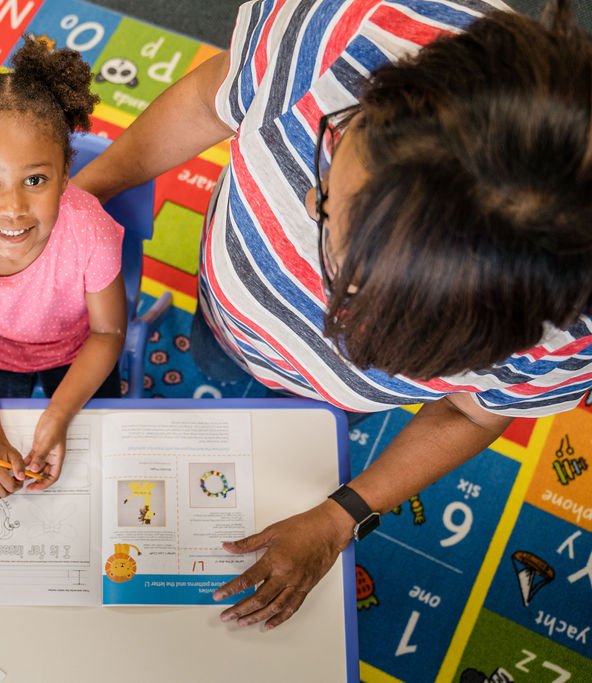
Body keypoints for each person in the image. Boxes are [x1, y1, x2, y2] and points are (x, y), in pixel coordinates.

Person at [74, 0, 592, 630]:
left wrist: (341, 516)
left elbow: (469, 411)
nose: (309, 197)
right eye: (341, 141)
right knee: (215, 353)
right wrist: (87, 192)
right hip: (225, 313)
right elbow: (213, 98)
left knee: (307, 429)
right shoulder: (351, 23)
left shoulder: (572, 344)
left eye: (345, 264)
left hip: (335, 399)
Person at [0, 23, 127, 499]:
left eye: (34, 180)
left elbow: (108, 333)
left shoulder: (88, 230)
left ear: (65, 174)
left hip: (80, 351)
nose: (13, 209)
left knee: (101, 460)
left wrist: (59, 413)